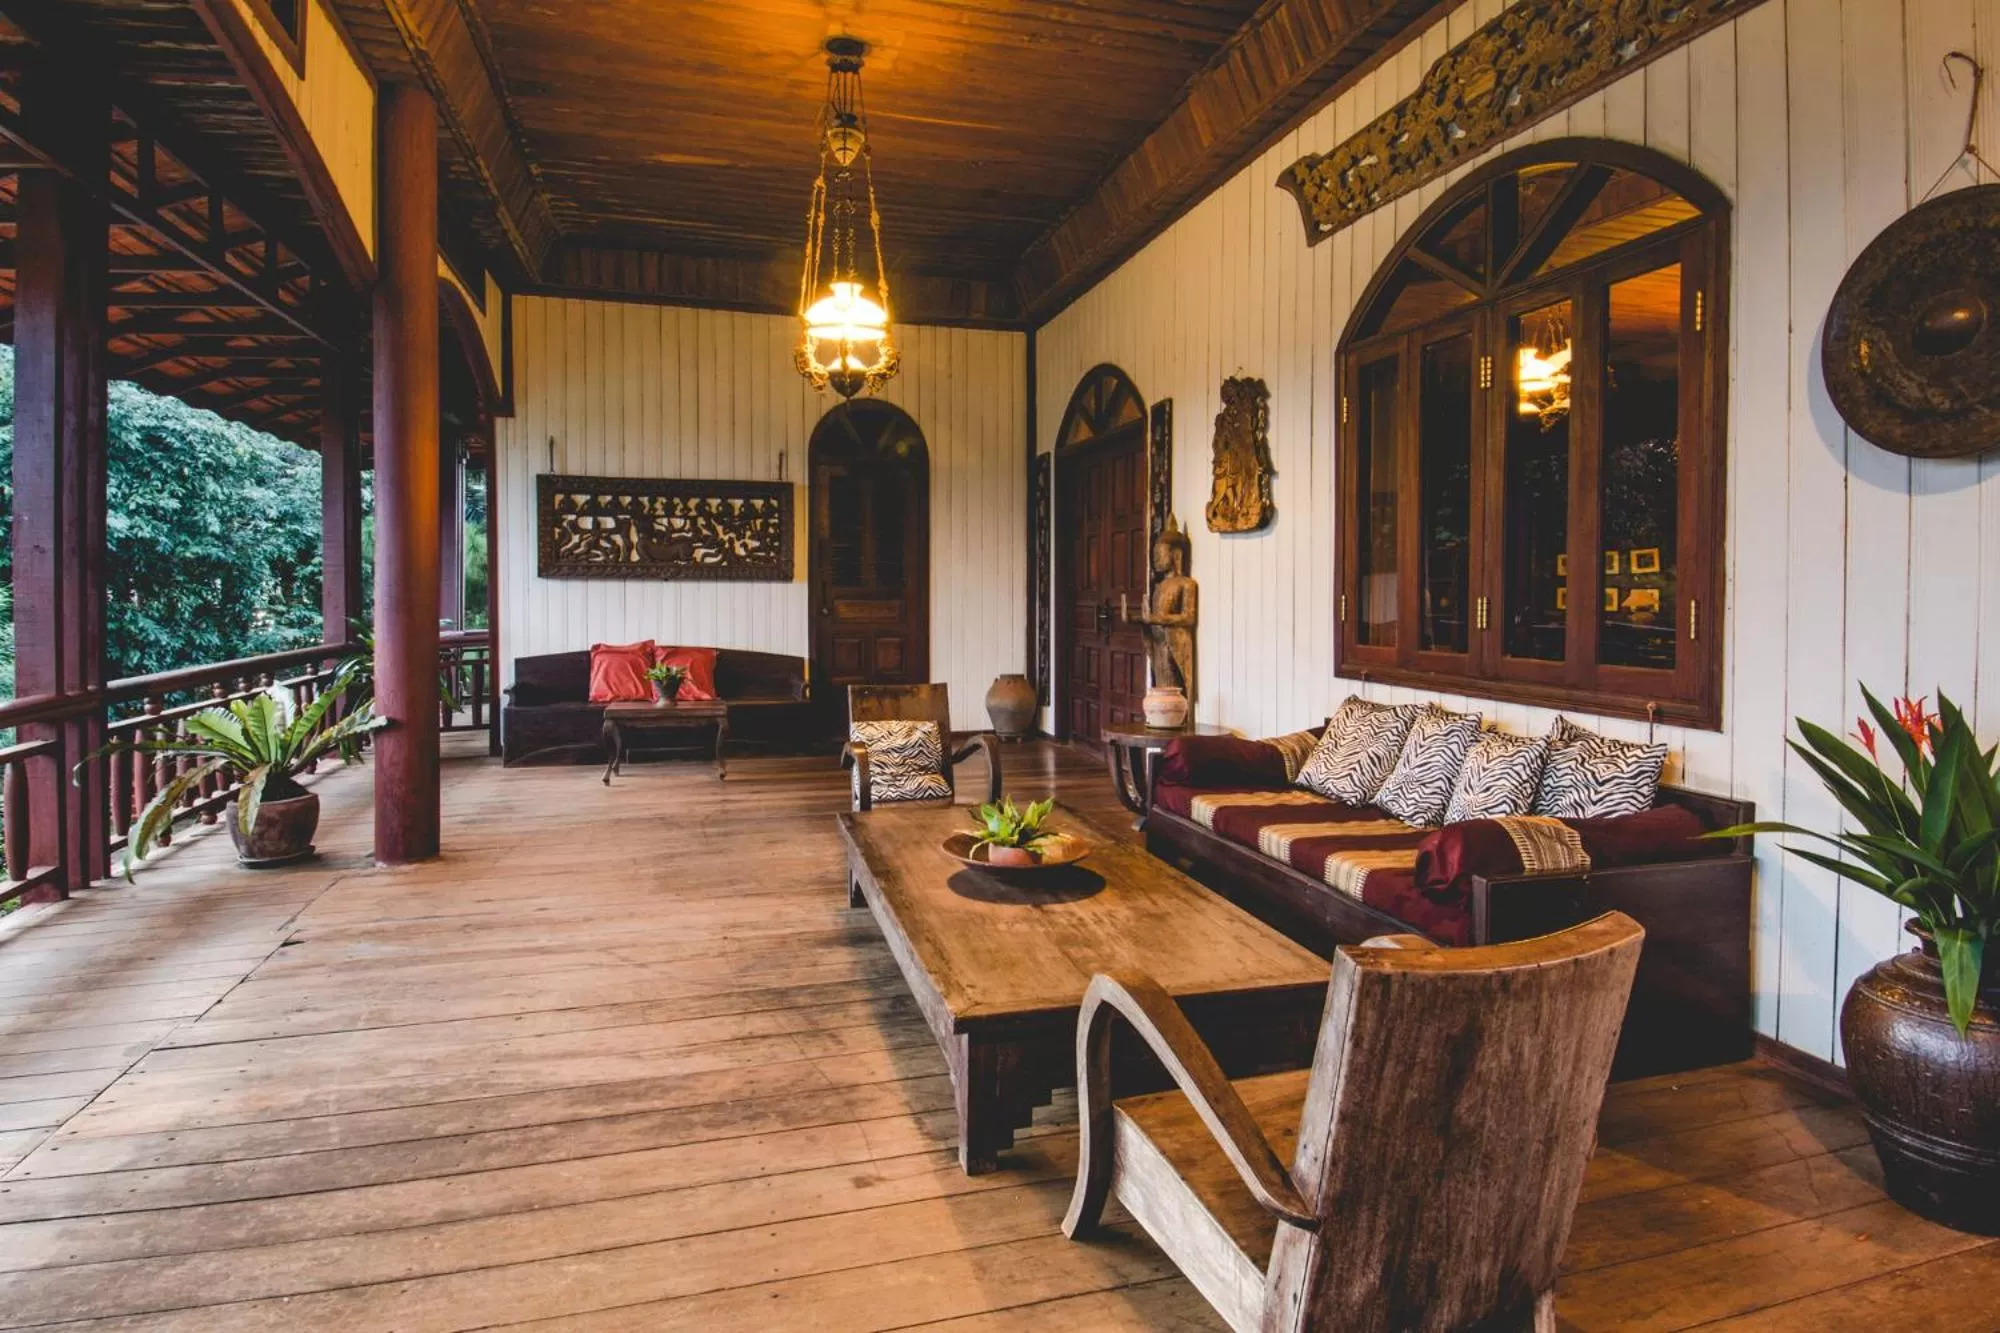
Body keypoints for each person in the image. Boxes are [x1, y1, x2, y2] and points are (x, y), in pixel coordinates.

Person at [1130, 515, 1197, 701]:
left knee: (1173, 692)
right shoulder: (1159, 587)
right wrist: (1140, 620)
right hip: (1158, 643)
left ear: (1177, 555)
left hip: (1173, 644)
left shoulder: (1186, 584)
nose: (1155, 558)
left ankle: (1177, 722)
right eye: (1154, 554)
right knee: (1160, 687)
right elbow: (1152, 618)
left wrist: (1157, 619)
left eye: (1160, 553)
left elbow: (1188, 618)